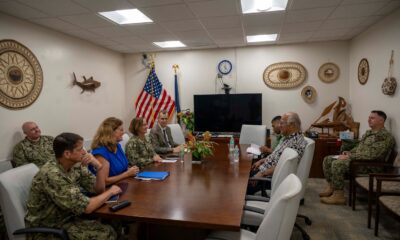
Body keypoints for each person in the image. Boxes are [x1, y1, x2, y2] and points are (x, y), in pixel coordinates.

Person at [25, 132, 122, 240]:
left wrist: (99, 167)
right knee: (106, 234)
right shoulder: (52, 174)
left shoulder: (75, 164)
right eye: (80, 149)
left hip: (70, 217)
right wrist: (111, 192)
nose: (84, 152)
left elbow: (98, 189)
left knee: (115, 221)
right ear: (67, 154)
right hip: (50, 227)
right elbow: (87, 208)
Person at [320, 110, 395, 205]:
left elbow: (373, 155)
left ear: (381, 121)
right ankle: (332, 187)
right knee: (328, 159)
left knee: (337, 163)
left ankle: (338, 196)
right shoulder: (369, 133)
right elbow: (360, 148)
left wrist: (350, 156)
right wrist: (349, 152)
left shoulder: (385, 137)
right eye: (369, 118)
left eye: (372, 118)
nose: (369, 120)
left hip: (369, 165)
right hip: (358, 160)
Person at [247, 112, 307, 195]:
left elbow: (284, 166)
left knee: (240, 186)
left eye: (282, 123)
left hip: (268, 179)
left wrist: (261, 173)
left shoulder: (296, 142)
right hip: (263, 171)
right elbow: (276, 155)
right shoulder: (288, 138)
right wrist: (262, 161)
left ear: (292, 125)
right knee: (241, 174)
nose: (279, 126)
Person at [91, 117, 139, 185]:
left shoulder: (117, 146)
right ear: (111, 131)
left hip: (122, 184)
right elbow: (104, 181)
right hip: (108, 190)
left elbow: (123, 168)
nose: (123, 132)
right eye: (121, 130)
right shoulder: (100, 153)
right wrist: (127, 174)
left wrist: (131, 170)